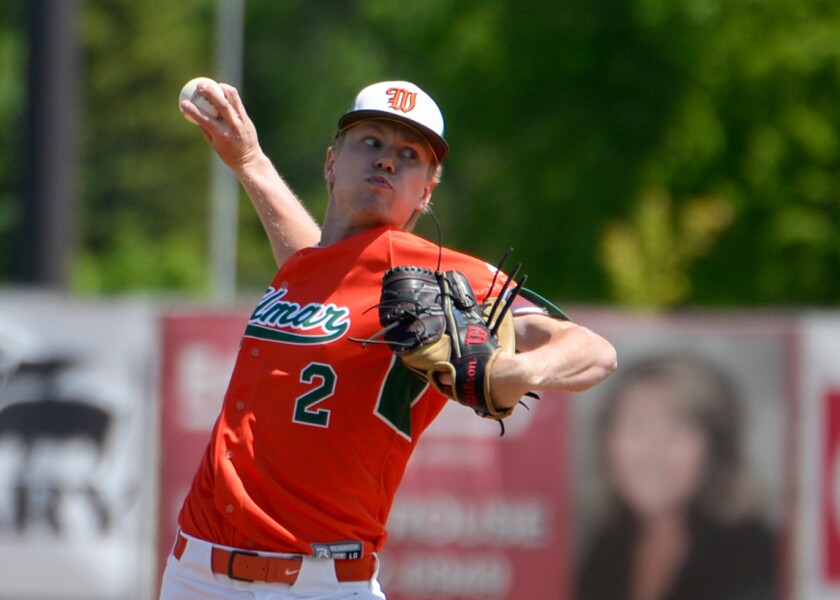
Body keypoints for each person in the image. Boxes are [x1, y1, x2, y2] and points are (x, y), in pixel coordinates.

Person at [161, 79, 617, 600]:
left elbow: (595, 351)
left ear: (426, 191)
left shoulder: (433, 269)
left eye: (409, 154)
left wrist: (520, 371)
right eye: (371, 142)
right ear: (332, 163)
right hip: (194, 572)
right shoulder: (311, 269)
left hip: (317, 584)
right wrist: (250, 162)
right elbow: (316, 265)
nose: (387, 162)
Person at [576, 351, 778, 600]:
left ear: (715, 448)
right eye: (636, 427)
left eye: (677, 430)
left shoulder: (754, 556)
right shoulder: (604, 549)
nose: (653, 453)